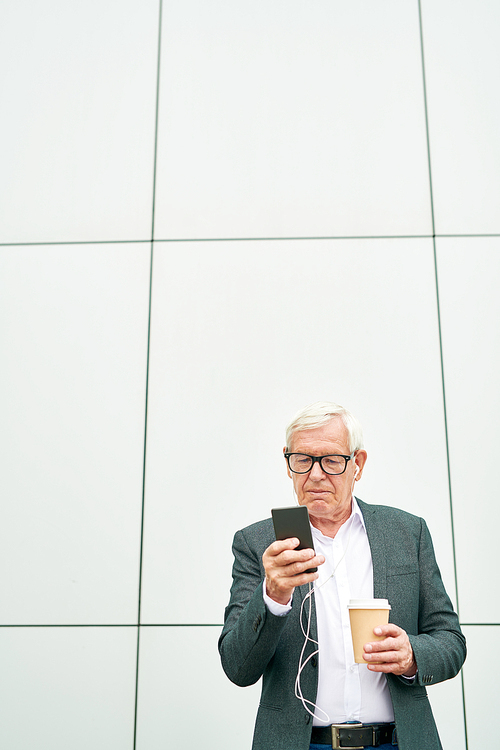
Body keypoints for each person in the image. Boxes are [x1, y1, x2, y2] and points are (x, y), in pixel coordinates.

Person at [219, 401, 466, 750]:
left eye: (332, 461)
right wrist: (272, 595)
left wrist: (412, 656)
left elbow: (451, 641)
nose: (316, 475)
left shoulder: (408, 533)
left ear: (358, 464)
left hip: (398, 741)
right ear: (287, 464)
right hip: (301, 743)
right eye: (303, 460)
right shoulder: (258, 544)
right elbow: (237, 667)